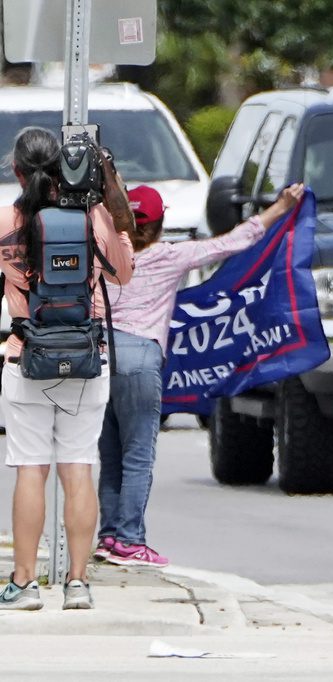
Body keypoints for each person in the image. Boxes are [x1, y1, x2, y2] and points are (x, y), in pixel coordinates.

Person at [96, 181, 305, 568]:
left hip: (100, 357)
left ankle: (108, 536)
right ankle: (129, 539)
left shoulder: (103, 257)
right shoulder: (172, 256)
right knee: (138, 456)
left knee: (111, 455)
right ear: (160, 224)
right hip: (140, 358)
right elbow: (234, 242)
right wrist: (281, 207)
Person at [0, 127, 136, 610]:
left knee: (31, 471)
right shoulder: (92, 218)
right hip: (86, 360)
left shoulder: (7, 221)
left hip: (26, 358)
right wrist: (111, 203)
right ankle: (78, 584)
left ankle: (24, 583)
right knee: (78, 468)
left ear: (17, 171)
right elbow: (123, 272)